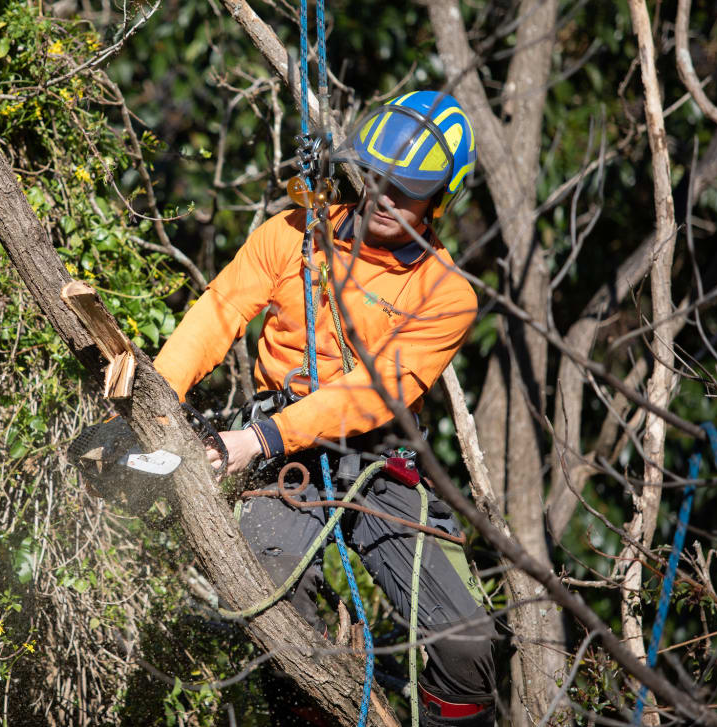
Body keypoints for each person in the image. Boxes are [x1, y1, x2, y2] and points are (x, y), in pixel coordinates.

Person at [154, 90, 496, 725]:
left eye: (408, 191)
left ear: (439, 201)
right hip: (286, 457)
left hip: (379, 461)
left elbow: (373, 393)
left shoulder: (446, 294)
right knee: (270, 593)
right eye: (377, 179)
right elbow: (218, 313)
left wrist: (257, 439)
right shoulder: (294, 233)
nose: (385, 198)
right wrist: (156, 396)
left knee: (467, 644)